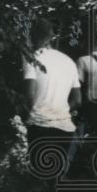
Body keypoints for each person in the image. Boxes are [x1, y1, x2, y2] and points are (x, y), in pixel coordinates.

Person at [22, 17, 81, 176]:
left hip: (40, 125)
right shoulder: (68, 61)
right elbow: (77, 100)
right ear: (51, 37)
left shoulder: (32, 58)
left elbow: (30, 95)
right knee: (56, 177)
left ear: (32, 36)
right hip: (65, 127)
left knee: (39, 176)